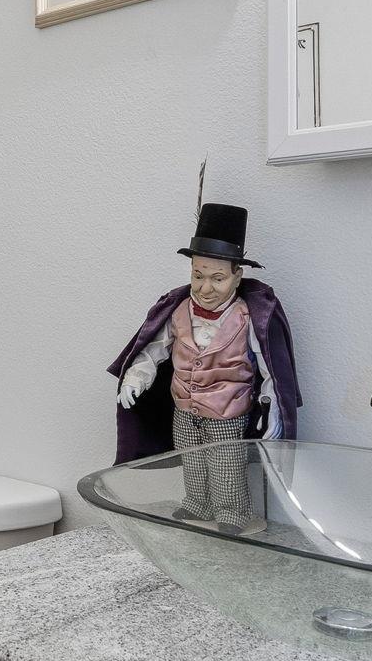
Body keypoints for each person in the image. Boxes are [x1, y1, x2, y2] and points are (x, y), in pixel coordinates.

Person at [107, 203, 301, 524]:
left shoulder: (249, 318)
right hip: (184, 408)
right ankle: (198, 504)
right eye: (198, 276)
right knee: (192, 462)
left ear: (237, 277)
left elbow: (270, 370)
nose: (205, 288)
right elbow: (153, 350)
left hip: (228, 413)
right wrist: (134, 378)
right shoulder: (178, 310)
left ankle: (232, 512)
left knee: (226, 467)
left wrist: (274, 409)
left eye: (217, 278)